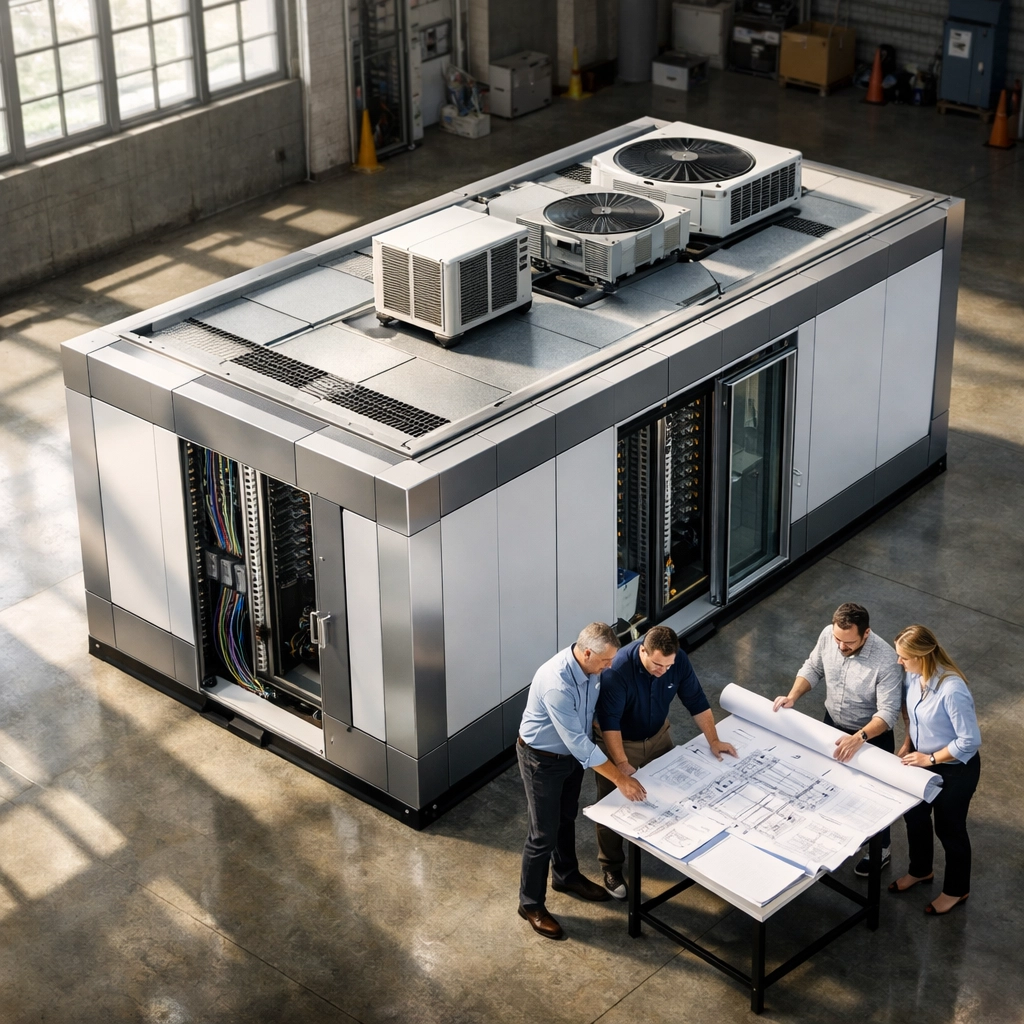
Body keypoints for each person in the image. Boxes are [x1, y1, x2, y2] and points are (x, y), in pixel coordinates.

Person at [517, 622, 647, 940]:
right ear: (587, 653)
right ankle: (530, 904)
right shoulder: (556, 684)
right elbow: (578, 743)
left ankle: (566, 875)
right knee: (542, 835)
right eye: (605, 661)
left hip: (569, 759)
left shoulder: (592, 668)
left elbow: (590, 719)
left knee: (566, 818)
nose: (609, 667)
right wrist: (620, 779)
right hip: (541, 761)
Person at [593, 625, 737, 898]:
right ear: (643, 651)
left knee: (675, 790)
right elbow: (609, 723)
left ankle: (675, 845)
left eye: (668, 666)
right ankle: (611, 867)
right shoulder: (617, 670)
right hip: (622, 742)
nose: (663, 671)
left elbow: (696, 700)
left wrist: (714, 740)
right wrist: (621, 766)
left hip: (659, 735)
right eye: (658, 665)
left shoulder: (676, 660)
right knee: (612, 805)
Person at [773, 602, 903, 875]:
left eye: (849, 642)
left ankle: (881, 849)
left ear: (866, 633)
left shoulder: (887, 661)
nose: (841, 647)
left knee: (873, 799)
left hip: (871, 737)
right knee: (827, 784)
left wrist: (859, 737)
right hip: (832, 726)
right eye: (838, 640)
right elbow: (813, 668)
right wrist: (792, 696)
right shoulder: (827, 635)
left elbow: (888, 713)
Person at [889, 624, 981, 915]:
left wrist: (929, 759)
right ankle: (920, 871)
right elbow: (912, 716)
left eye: (904, 657)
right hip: (921, 759)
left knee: (949, 828)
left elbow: (969, 741)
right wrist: (908, 743)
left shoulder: (952, 690)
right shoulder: (913, 676)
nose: (899, 662)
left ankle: (956, 890)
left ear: (921, 656)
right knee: (915, 816)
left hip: (954, 769)